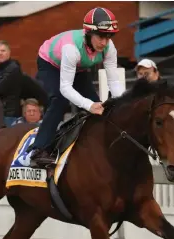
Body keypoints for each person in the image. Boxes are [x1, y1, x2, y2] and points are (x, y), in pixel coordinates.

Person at [27, 7, 125, 166]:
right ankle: (39, 150)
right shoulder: (71, 49)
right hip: (50, 63)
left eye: (109, 37)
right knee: (59, 100)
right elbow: (65, 88)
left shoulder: (109, 47)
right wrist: (89, 105)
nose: (104, 42)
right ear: (88, 33)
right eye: (100, 36)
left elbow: (113, 81)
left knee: (99, 106)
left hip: (78, 67)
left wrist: (122, 103)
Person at [0, 41, 23, 127]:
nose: (0, 53)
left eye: (3, 51)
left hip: (10, 114)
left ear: (9, 52)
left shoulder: (14, 69)